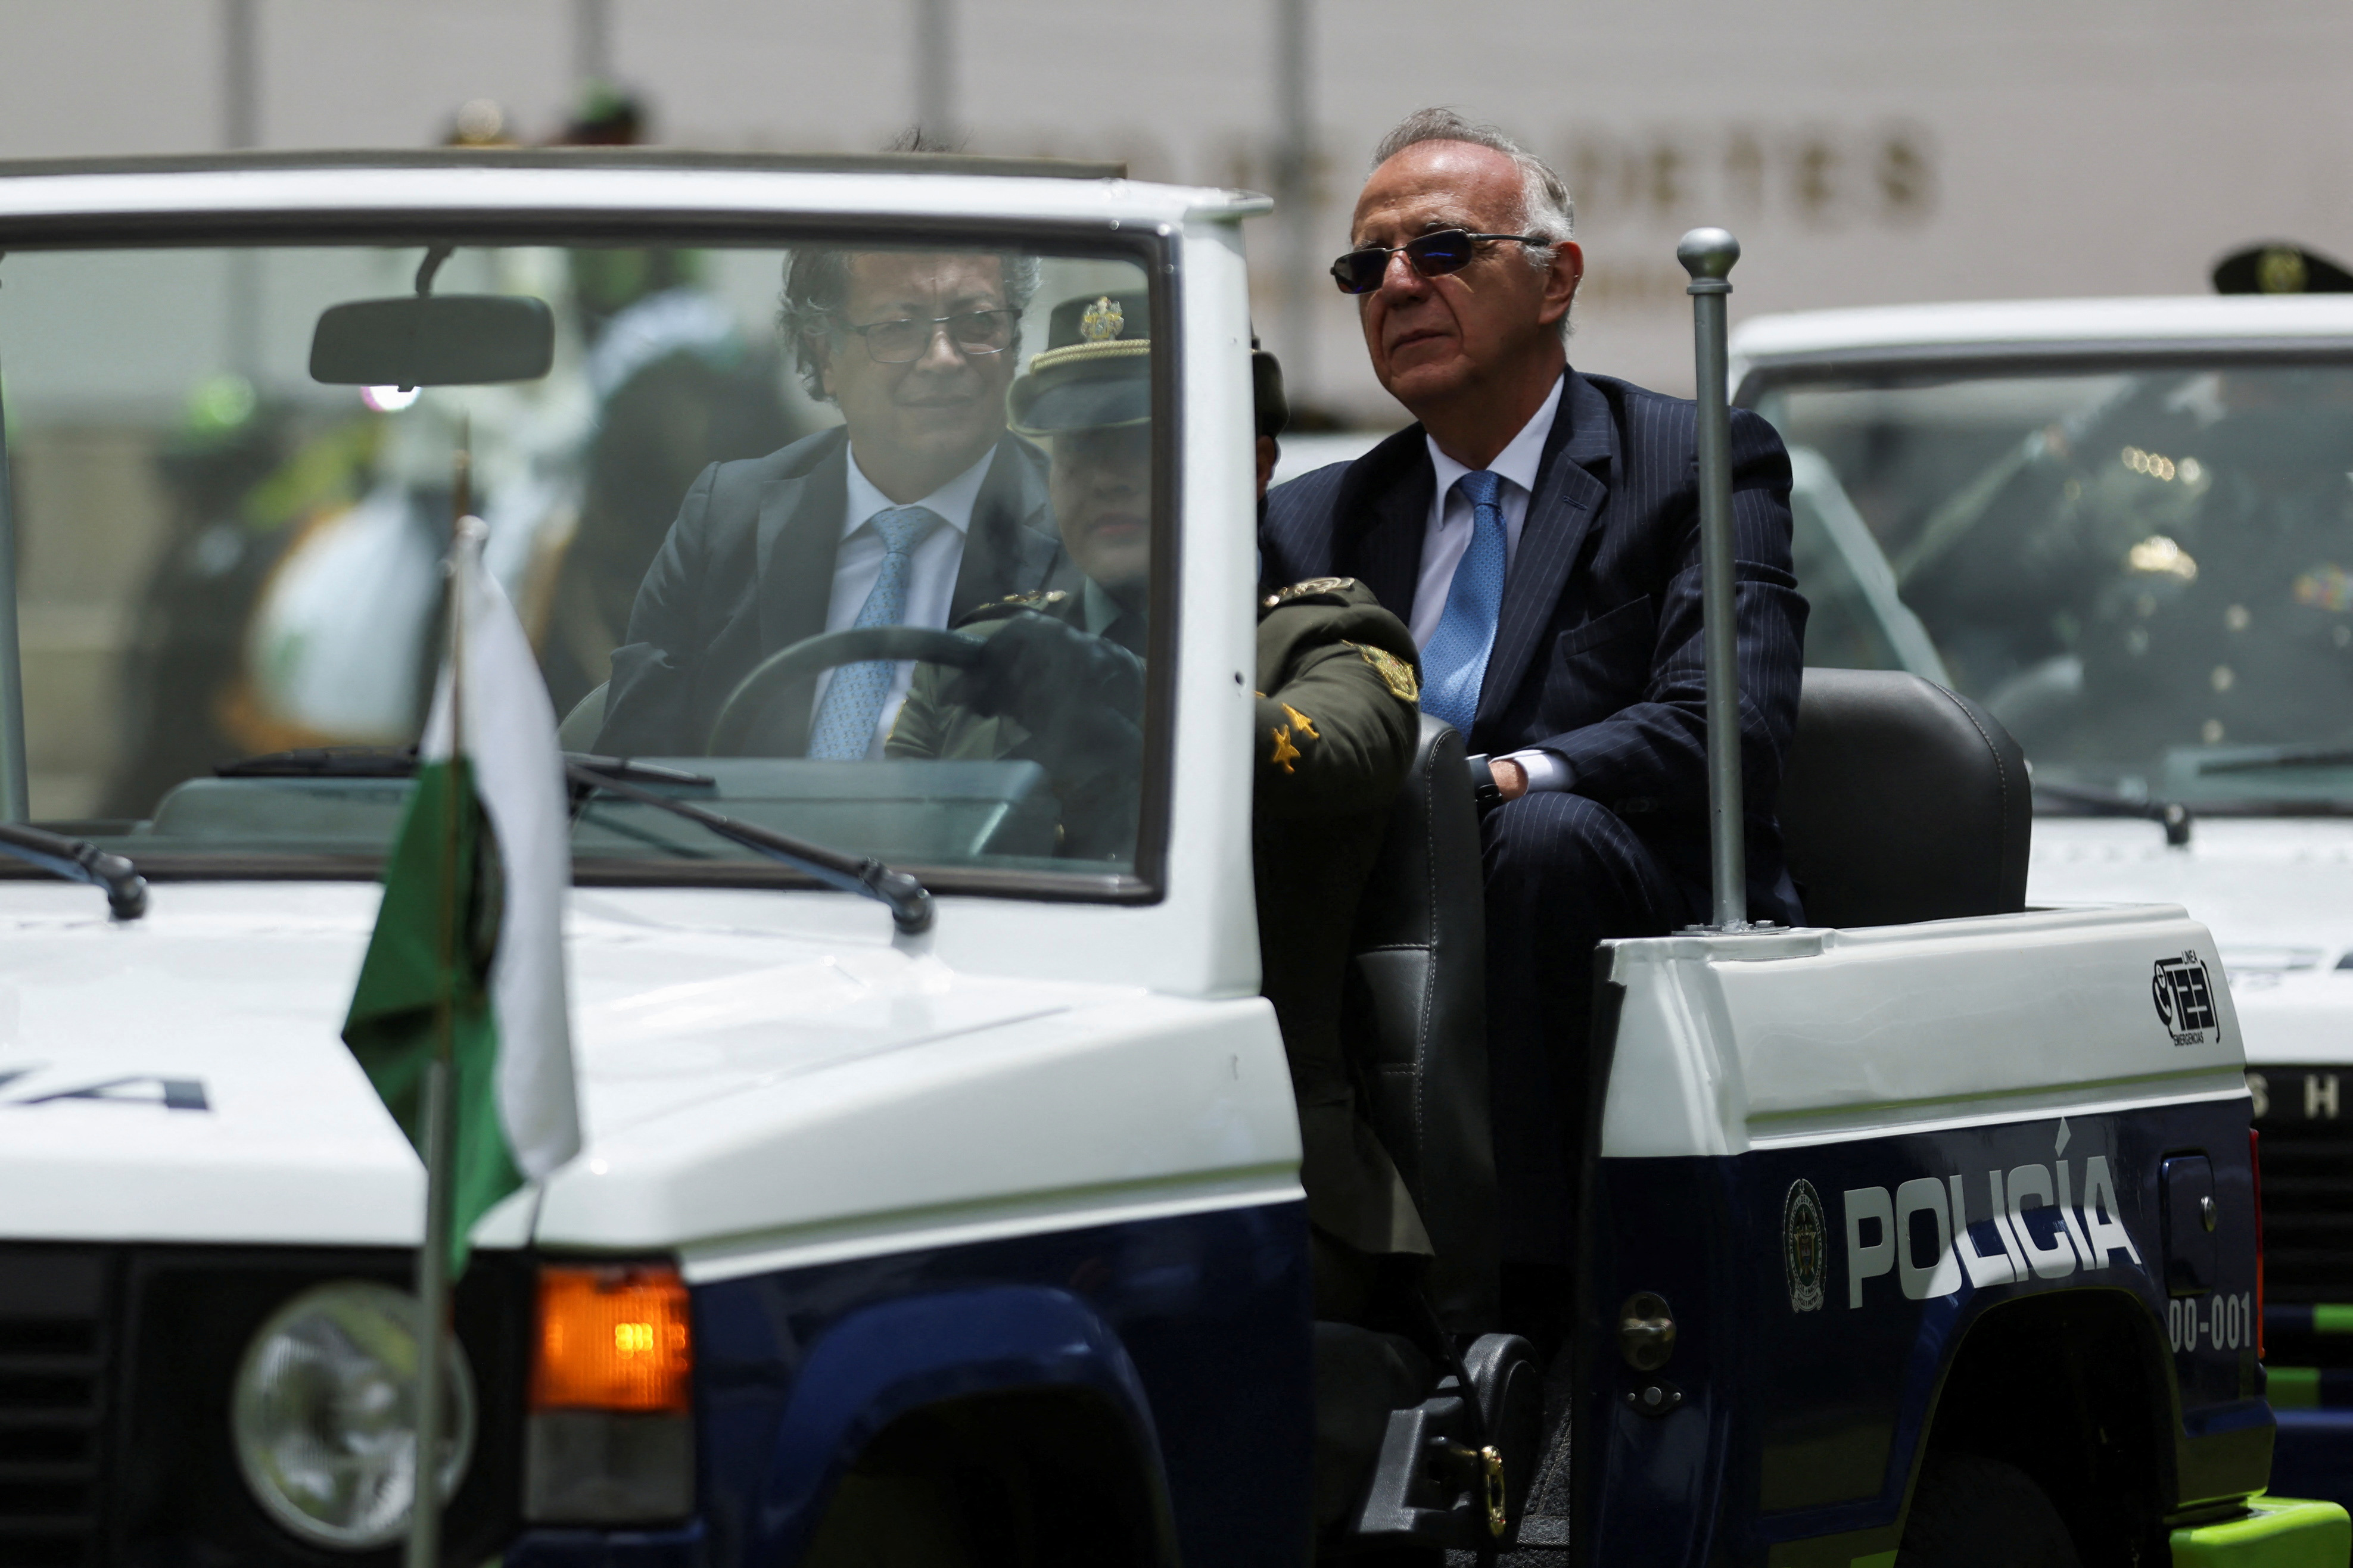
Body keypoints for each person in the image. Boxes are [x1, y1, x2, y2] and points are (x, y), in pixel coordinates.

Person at [1260, 109, 1809, 1296]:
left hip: (1632, 930)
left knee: (1537, 839)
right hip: (1385, 918)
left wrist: (1500, 779)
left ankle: (1525, 1310)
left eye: (1441, 251)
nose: (1396, 286)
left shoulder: (1695, 461)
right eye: (1367, 266)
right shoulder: (1312, 520)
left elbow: (1730, 725)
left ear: (1554, 278)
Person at [890, 295, 1437, 1311]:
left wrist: (1108, 689)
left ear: (1255, 462)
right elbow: (875, 843)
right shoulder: (983, 656)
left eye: (1147, 437)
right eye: (1079, 441)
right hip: (984, 1138)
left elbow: (1341, 757)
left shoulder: (1322, 640)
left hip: (1251, 1165)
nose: (1105, 469)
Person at [592, 245, 1067, 757]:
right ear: (824, 354)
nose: (943, 357)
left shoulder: (1075, 532)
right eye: (899, 327)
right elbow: (632, 777)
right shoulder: (725, 520)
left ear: (1014, 343)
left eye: (978, 322)